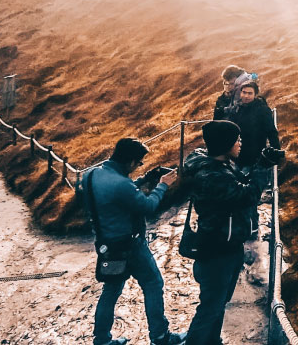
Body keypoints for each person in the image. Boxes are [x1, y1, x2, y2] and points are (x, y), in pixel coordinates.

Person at [80, 138, 185, 345]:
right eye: (139, 164)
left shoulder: (91, 175)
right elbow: (147, 206)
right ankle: (160, 337)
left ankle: (101, 340)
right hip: (131, 246)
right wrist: (162, 185)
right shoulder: (121, 184)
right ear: (130, 162)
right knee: (153, 284)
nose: (139, 167)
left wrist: (145, 179)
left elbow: (116, 195)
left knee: (110, 291)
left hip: (106, 245)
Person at [180, 121, 264, 345]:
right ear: (225, 143)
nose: (240, 143)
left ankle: (212, 341)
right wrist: (263, 170)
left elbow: (239, 186)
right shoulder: (212, 175)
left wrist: (258, 165)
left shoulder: (222, 166)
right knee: (210, 307)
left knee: (217, 303)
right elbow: (246, 196)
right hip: (216, 251)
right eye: (237, 139)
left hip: (227, 246)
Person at [223, 81, 282, 179]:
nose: (246, 96)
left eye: (250, 93)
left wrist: (276, 152)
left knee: (247, 184)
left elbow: (271, 132)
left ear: (255, 94)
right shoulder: (237, 108)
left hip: (254, 155)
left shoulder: (262, 110)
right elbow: (229, 130)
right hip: (236, 155)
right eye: (244, 92)